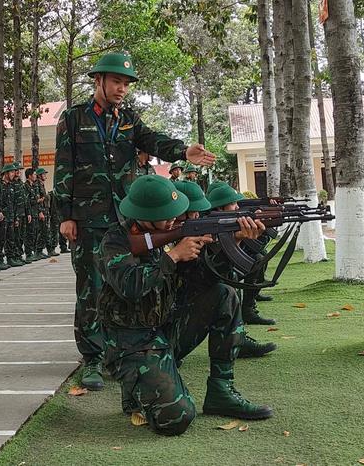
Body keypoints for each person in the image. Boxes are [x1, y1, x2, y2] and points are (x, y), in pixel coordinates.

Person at [54, 51, 216, 390]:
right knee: (90, 287)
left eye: (126, 84)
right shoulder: (73, 118)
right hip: (88, 218)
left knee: (127, 281)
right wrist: (65, 216)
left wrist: (183, 151)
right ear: (98, 80)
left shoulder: (128, 119)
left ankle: (124, 349)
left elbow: (152, 140)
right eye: (116, 81)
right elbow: (64, 167)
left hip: (126, 218)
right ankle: (93, 358)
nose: (122, 89)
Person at [100, 175, 266, 435]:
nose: (173, 219)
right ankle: (136, 389)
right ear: (145, 215)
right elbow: (129, 286)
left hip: (167, 328)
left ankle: (221, 390)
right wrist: (173, 255)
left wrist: (234, 242)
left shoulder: (173, 233)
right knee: (176, 418)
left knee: (223, 294)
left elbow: (204, 280)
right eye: (166, 215)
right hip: (131, 342)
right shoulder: (115, 240)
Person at [174, 181, 277, 361]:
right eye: (193, 212)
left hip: (175, 317)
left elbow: (209, 276)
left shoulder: (193, 233)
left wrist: (236, 240)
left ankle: (237, 339)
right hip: (160, 329)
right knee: (223, 289)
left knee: (226, 286)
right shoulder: (163, 243)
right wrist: (174, 255)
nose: (198, 215)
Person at [207, 182, 276, 327]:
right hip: (212, 277)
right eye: (233, 204)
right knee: (233, 276)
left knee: (258, 258)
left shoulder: (228, 221)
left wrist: (261, 229)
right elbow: (218, 261)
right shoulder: (209, 225)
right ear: (219, 208)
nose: (238, 207)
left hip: (222, 271)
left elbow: (256, 248)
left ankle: (248, 310)